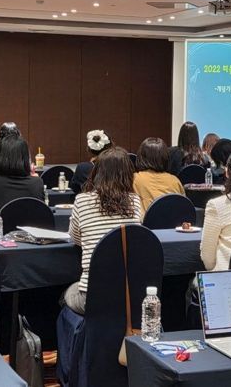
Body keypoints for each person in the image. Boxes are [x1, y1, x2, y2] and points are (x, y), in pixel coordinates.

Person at [63, 147, 142, 314]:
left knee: (67, 292)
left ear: (97, 172)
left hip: (92, 297)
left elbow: (75, 238)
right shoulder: (135, 201)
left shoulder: (82, 200)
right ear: (128, 174)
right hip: (128, 295)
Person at [0, 136, 43, 210]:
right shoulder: (37, 182)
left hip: (2, 217)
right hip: (30, 217)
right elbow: (41, 209)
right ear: (25, 158)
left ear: (0, 157)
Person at [133, 137, 185, 210]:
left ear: (141, 157)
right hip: (171, 217)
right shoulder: (175, 181)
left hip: (145, 218)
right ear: (165, 157)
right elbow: (183, 208)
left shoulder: (134, 180)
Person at [69, 129, 112, 194]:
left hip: (87, 199)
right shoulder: (117, 165)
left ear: (89, 149)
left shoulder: (82, 168)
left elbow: (75, 188)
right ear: (110, 147)